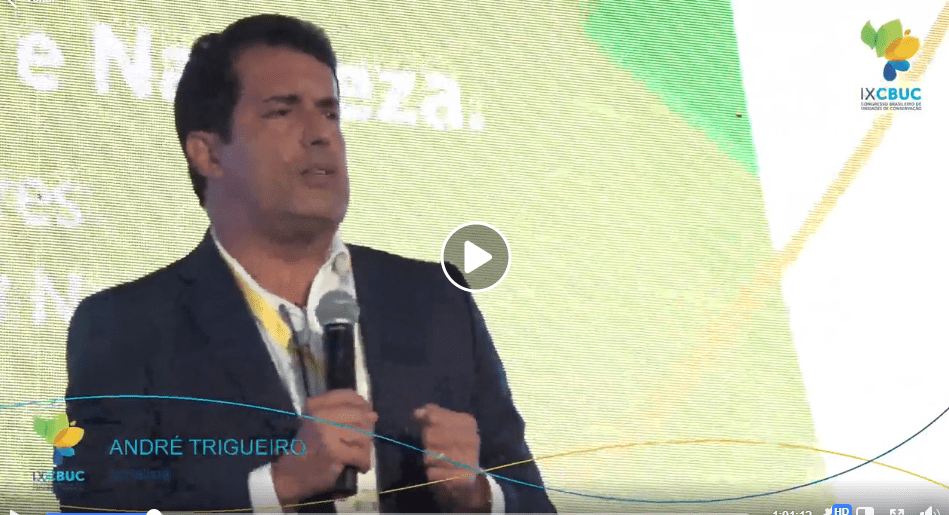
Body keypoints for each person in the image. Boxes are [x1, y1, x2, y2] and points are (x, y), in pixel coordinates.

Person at [53, 13, 555, 514]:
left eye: (330, 113)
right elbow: (97, 505)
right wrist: (276, 486)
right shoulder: (127, 327)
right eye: (282, 112)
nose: (320, 135)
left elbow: (532, 500)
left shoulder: (435, 298)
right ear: (208, 154)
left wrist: (479, 496)